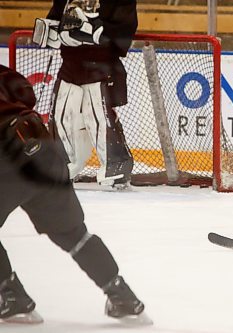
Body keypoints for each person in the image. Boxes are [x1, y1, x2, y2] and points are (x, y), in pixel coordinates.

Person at [0, 65, 151, 324]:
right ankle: (122, 297)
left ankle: (13, 300)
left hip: (9, 150)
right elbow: (24, 91)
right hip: (40, 140)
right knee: (73, 233)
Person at [34, 0, 137, 189]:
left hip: (100, 66)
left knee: (97, 115)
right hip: (70, 65)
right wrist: (53, 32)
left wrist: (95, 33)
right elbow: (55, 19)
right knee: (61, 116)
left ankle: (117, 166)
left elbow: (124, 31)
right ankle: (62, 164)